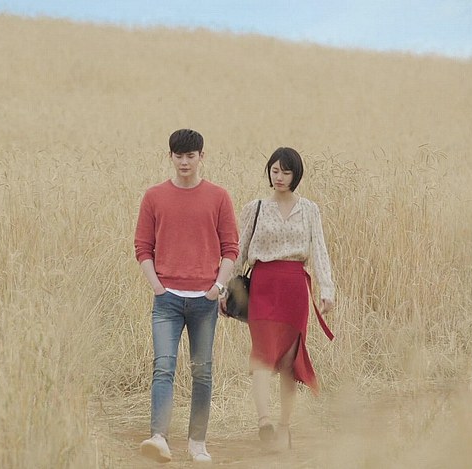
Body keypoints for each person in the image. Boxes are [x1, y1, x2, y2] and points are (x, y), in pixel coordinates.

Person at [134, 129, 239, 463]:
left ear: (201, 157)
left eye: (190, 156)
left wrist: (218, 287)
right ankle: (159, 437)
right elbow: (142, 247)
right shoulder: (154, 197)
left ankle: (197, 442)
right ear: (170, 157)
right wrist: (156, 285)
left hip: (203, 300)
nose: (184, 162)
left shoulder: (218, 197)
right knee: (163, 367)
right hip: (166, 299)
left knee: (202, 371)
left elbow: (230, 248)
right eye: (178, 156)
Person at [223, 147, 336, 451]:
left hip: (294, 288)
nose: (280, 177)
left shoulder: (310, 209)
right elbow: (240, 250)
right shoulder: (255, 207)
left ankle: (284, 428)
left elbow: (319, 250)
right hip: (263, 286)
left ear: (296, 175)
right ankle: (264, 423)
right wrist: (225, 289)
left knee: (288, 360)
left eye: (286, 172)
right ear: (269, 172)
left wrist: (327, 290)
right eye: (275, 171)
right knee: (262, 353)